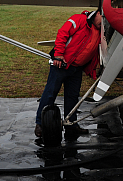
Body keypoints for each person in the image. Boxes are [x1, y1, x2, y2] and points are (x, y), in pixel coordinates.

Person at [35, 9, 102, 139]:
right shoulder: (79, 19)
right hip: (61, 64)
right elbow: (62, 33)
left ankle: (71, 125)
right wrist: (58, 55)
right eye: (103, 19)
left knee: (73, 97)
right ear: (98, 13)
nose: (104, 23)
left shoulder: (101, 30)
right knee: (50, 93)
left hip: (77, 68)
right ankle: (40, 124)